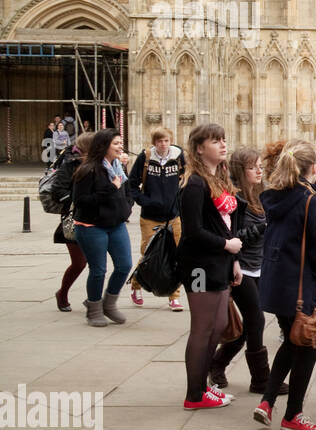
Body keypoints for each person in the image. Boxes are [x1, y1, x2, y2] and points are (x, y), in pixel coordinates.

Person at [255, 141, 316, 430]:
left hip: (276, 280)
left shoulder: (275, 195)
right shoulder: (313, 200)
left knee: (292, 340)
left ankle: (266, 402)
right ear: (314, 167)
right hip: (303, 285)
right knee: (309, 343)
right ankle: (293, 415)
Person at [208, 147, 285, 395]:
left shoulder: (262, 195)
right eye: (253, 167)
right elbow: (233, 236)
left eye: (260, 166)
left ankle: (216, 364)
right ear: (241, 171)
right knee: (256, 319)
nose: (259, 171)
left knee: (248, 327)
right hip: (240, 268)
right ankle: (261, 380)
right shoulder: (235, 199)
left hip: (260, 266)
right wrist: (261, 230)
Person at [176, 124, 242, 410]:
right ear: (199, 148)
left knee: (219, 324)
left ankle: (204, 386)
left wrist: (234, 260)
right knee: (202, 327)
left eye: (224, 140)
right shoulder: (195, 184)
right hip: (199, 266)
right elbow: (192, 231)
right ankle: (194, 395)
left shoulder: (220, 179)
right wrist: (226, 246)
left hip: (221, 262)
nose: (223, 145)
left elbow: (227, 224)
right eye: (215, 141)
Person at [70, 128, 133, 328]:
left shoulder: (118, 168)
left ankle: (109, 304)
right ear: (103, 146)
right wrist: (110, 189)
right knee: (98, 270)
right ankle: (94, 309)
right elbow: (80, 201)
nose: (120, 147)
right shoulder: (87, 169)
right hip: (91, 226)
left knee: (124, 265)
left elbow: (127, 190)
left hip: (116, 224)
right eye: (116, 143)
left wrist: (127, 207)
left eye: (120, 143)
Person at [126, 127, 186, 311]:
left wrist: (180, 202)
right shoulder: (145, 159)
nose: (163, 144)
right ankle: (136, 286)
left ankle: (174, 296)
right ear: (154, 142)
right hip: (150, 216)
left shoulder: (178, 157)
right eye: (159, 141)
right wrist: (145, 201)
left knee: (176, 255)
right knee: (149, 253)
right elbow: (132, 184)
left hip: (173, 216)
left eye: (166, 140)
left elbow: (186, 178)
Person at [51, 132, 92, 312]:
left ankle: (95, 299)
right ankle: (63, 293)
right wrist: (78, 200)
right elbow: (57, 191)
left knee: (100, 264)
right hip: (74, 219)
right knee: (79, 263)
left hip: (98, 220)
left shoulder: (103, 164)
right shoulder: (70, 164)